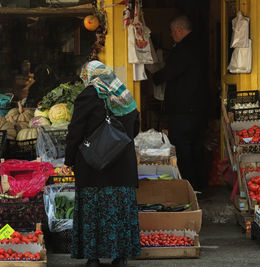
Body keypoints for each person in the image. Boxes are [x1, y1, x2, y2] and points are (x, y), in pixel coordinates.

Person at [61, 60, 141, 267]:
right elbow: (135, 128)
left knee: (93, 211)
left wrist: (68, 160)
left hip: (93, 166)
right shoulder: (124, 96)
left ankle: (93, 257)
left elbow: (76, 131)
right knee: (119, 210)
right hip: (122, 166)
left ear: (90, 76)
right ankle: (120, 256)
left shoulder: (89, 94)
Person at [152, 15, 208, 191]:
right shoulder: (198, 45)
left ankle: (189, 185)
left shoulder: (184, 48)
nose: (171, 35)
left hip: (184, 108)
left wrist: (155, 77)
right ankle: (198, 184)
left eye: (171, 31)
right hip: (198, 106)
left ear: (179, 30)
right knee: (196, 144)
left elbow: (171, 71)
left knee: (184, 146)